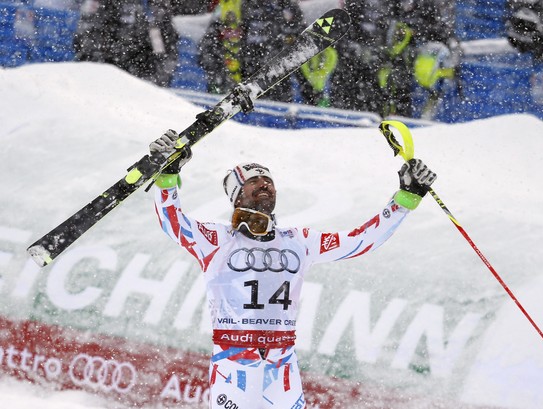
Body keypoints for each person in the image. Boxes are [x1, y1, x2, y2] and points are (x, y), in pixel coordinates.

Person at [149, 128, 436, 408]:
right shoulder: (216, 240)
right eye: (254, 181)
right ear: (237, 196)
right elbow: (173, 222)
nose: (265, 184)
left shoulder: (299, 242)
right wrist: (168, 176)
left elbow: (360, 241)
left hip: (282, 371)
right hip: (234, 370)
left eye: (268, 180)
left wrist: (405, 198)